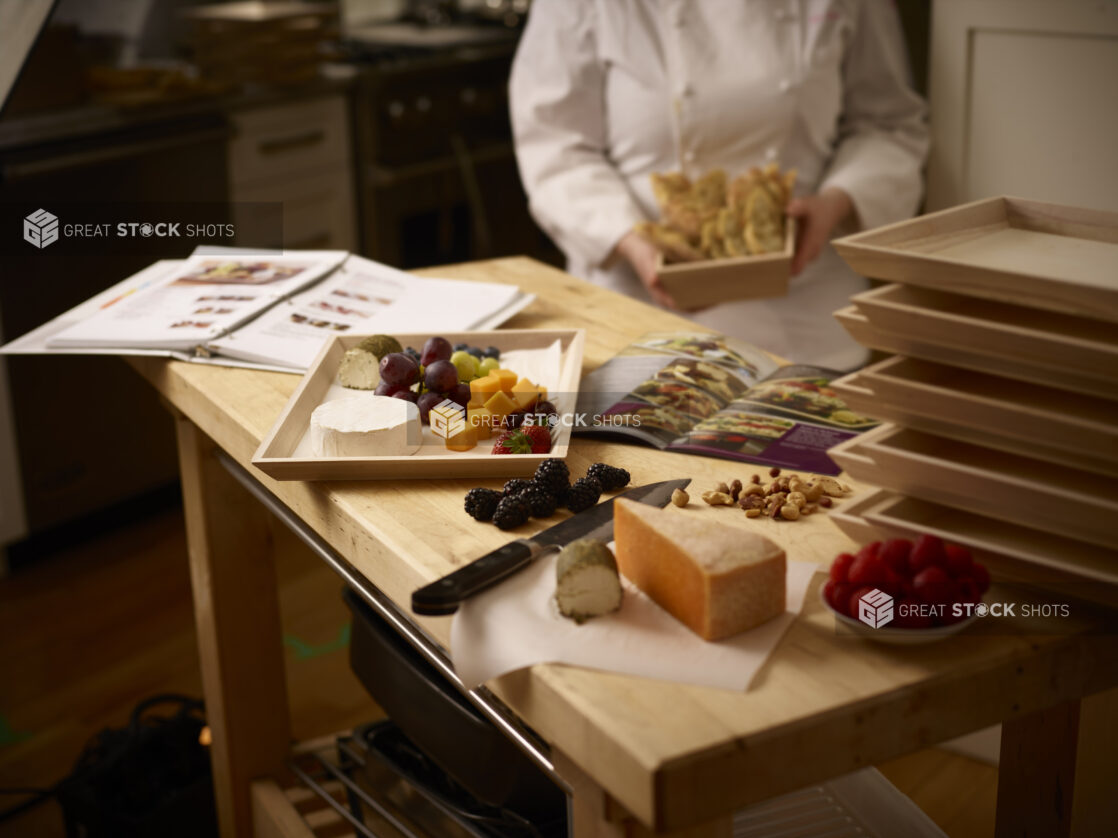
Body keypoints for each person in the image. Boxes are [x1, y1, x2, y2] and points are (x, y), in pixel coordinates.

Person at [509, 0, 929, 370]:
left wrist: (835, 203)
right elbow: (555, 143)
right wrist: (630, 240)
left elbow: (888, 124)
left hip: (807, 323)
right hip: (633, 316)